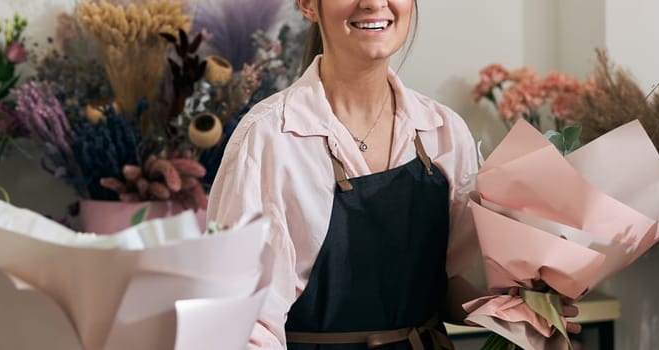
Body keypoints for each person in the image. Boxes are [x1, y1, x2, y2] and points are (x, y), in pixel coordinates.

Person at [207, 0, 577, 349]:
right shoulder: (269, 138)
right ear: (307, 4)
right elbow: (244, 323)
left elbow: (449, 284)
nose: (373, 2)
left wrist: (519, 311)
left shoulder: (443, 132)